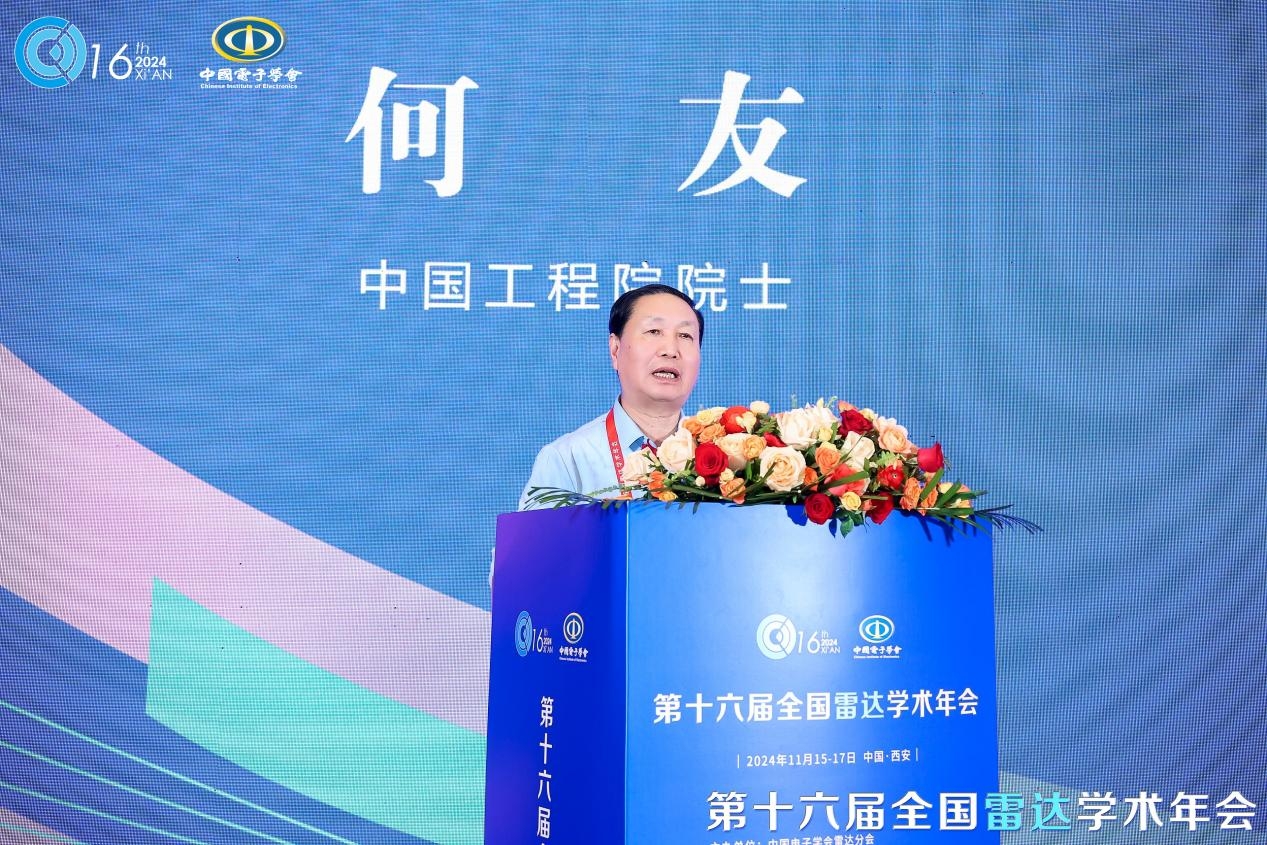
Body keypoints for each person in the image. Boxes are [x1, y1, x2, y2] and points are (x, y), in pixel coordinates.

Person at [519, 284, 703, 509]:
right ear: (615, 350)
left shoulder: (728, 458)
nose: (671, 350)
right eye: (654, 331)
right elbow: (534, 534)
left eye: (685, 335)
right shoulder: (568, 459)